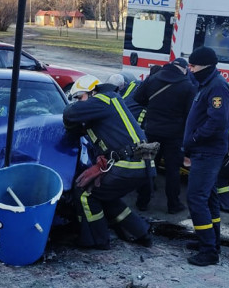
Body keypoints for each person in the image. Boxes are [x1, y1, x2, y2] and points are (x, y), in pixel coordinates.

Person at [63, 75, 154, 250]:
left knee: (85, 192)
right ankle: (140, 232)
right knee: (106, 196)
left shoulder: (102, 99)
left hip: (129, 163)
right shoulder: (109, 102)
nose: (79, 103)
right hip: (140, 162)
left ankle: (96, 240)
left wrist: (71, 127)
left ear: (92, 92)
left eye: (80, 98)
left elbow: (69, 113)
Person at [182, 46, 229, 266]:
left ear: (206, 66)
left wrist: (194, 139)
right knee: (209, 197)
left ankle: (208, 250)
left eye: (193, 66)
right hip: (204, 150)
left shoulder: (217, 86)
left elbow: (217, 121)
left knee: (196, 198)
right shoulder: (206, 83)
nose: (190, 69)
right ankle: (211, 241)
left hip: (207, 151)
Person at [133, 57, 196, 213]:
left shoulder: (153, 78)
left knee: (147, 166)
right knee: (172, 170)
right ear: (184, 69)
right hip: (174, 135)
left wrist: (153, 107)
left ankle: (142, 202)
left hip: (152, 130)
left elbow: (137, 97)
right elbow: (190, 114)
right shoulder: (188, 86)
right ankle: (173, 205)